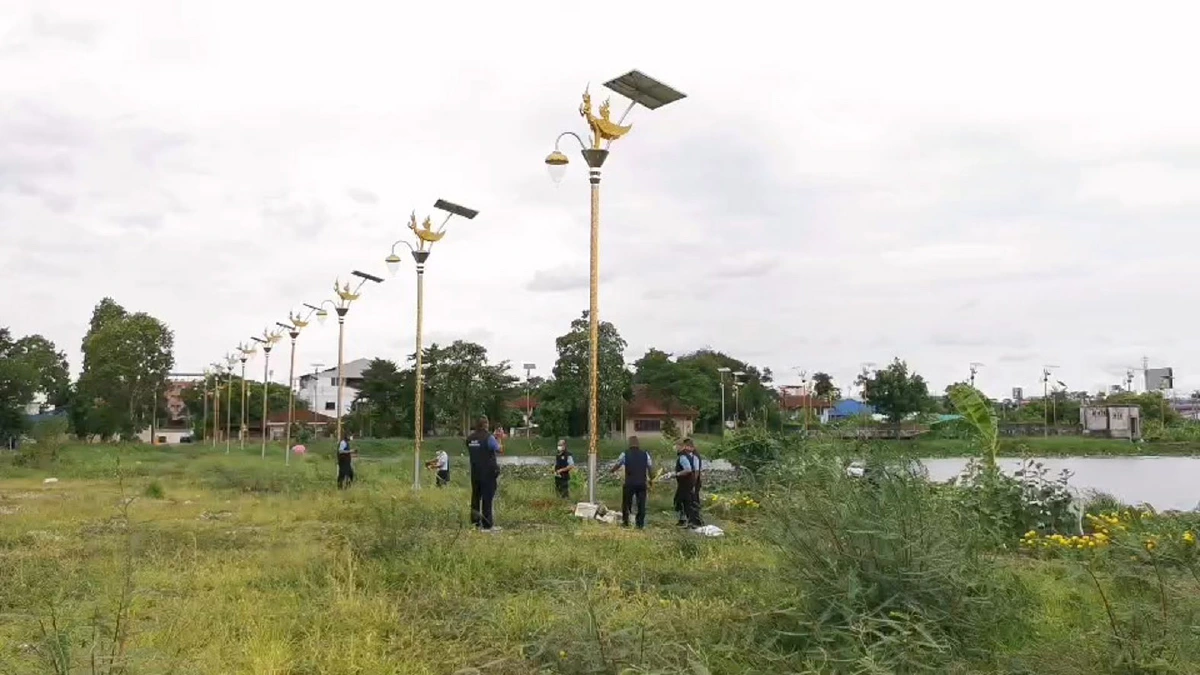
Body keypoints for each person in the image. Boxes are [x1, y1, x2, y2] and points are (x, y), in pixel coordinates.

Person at [466, 416, 502, 531]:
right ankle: (487, 524)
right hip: (488, 472)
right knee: (487, 498)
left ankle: (475, 522)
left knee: (475, 497)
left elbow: (477, 449)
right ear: (486, 424)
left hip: (475, 472)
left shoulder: (470, 438)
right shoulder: (489, 437)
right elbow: (499, 449)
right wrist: (499, 438)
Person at [610, 436, 653, 528]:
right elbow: (650, 467)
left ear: (630, 444)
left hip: (630, 483)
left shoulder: (625, 454)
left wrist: (612, 471)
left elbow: (618, 464)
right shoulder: (645, 454)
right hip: (642, 483)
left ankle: (626, 522)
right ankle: (640, 524)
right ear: (638, 444)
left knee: (626, 503)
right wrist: (651, 480)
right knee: (641, 504)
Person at [673, 442, 702, 527]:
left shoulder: (683, 457)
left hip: (686, 483)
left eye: (676, 447)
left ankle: (690, 521)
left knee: (685, 501)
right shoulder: (690, 456)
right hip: (688, 483)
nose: (675, 448)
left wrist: (676, 474)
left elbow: (690, 470)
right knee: (685, 501)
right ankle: (688, 520)